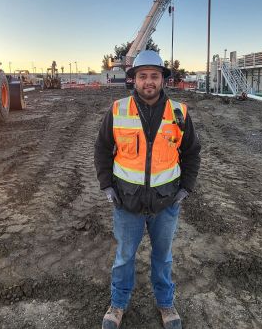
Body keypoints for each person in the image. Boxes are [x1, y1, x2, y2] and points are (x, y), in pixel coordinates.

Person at [94, 50, 201, 329]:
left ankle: (166, 304)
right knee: (124, 257)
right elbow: (102, 149)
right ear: (134, 80)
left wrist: (185, 189)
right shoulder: (118, 110)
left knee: (162, 257)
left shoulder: (179, 112)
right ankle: (118, 305)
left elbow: (192, 153)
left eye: (154, 76)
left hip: (166, 203)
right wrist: (107, 185)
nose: (149, 82)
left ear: (162, 79)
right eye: (143, 76)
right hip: (126, 202)